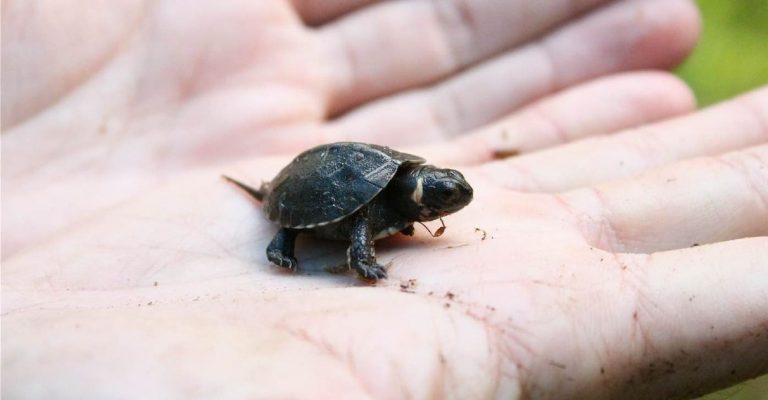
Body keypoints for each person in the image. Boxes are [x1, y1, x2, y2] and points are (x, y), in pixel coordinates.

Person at [2, 1, 766, 398]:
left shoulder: (413, 181)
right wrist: (353, 257)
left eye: (446, 193)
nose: (447, 201)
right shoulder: (375, 201)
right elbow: (358, 217)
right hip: (309, 184)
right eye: (441, 194)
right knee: (305, 228)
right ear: (418, 189)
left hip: (357, 172)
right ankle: (282, 242)